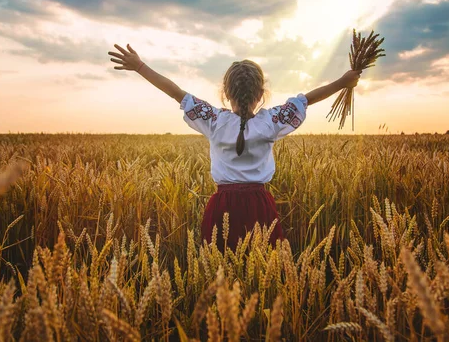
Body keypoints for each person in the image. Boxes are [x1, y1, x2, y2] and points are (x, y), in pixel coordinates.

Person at [108, 44, 360, 251]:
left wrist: (140, 66)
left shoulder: (214, 121)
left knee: (221, 273)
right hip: (260, 206)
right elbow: (307, 99)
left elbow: (175, 92)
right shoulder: (271, 122)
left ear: (226, 93)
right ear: (261, 94)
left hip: (222, 208)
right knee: (263, 272)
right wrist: (343, 81)